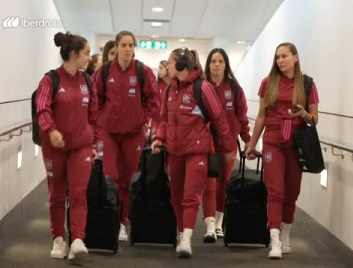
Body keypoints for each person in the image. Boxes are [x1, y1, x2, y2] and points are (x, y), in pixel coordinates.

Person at [151, 48, 234, 258]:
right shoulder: (170, 91)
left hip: (197, 151)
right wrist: (159, 138)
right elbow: (164, 120)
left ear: (180, 65)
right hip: (174, 152)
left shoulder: (203, 88)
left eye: (170, 63)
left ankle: (187, 238)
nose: (167, 66)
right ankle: (181, 233)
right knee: (176, 196)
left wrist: (226, 148)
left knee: (190, 196)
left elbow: (220, 120)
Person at [245, 42, 320, 259]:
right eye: (277, 57)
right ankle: (274, 239)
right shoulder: (268, 83)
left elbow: (314, 118)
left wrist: (303, 114)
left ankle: (285, 235)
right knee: (275, 191)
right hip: (273, 141)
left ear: (296, 58)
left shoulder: (307, 84)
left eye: (285, 56)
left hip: (297, 142)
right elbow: (261, 115)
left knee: (292, 192)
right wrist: (251, 143)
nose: (280, 60)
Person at [36, 32, 98, 262]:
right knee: (58, 195)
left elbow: (94, 114)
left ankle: (78, 240)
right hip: (55, 148)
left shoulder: (88, 81)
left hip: (81, 147)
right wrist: (51, 130)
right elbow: (42, 108)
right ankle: (58, 239)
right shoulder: (50, 80)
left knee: (79, 193)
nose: (89, 58)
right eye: (87, 53)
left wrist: (93, 143)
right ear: (73, 54)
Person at [93, 30, 160, 242]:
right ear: (117, 47)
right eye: (124, 45)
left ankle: (122, 222)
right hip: (108, 132)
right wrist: (101, 120)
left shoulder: (143, 71)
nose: (128, 49)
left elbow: (153, 100)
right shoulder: (104, 72)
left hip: (133, 134)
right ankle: (110, 220)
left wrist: (143, 119)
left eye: (131, 45)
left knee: (127, 179)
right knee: (110, 175)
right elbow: (96, 100)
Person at [201, 48, 251, 242]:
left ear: (226, 64)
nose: (217, 65)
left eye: (220, 61)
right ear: (208, 64)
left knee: (223, 184)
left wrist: (248, 141)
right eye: (213, 61)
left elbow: (242, 117)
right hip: (207, 144)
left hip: (229, 144)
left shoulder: (235, 89)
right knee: (209, 185)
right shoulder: (202, 86)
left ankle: (220, 222)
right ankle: (210, 225)